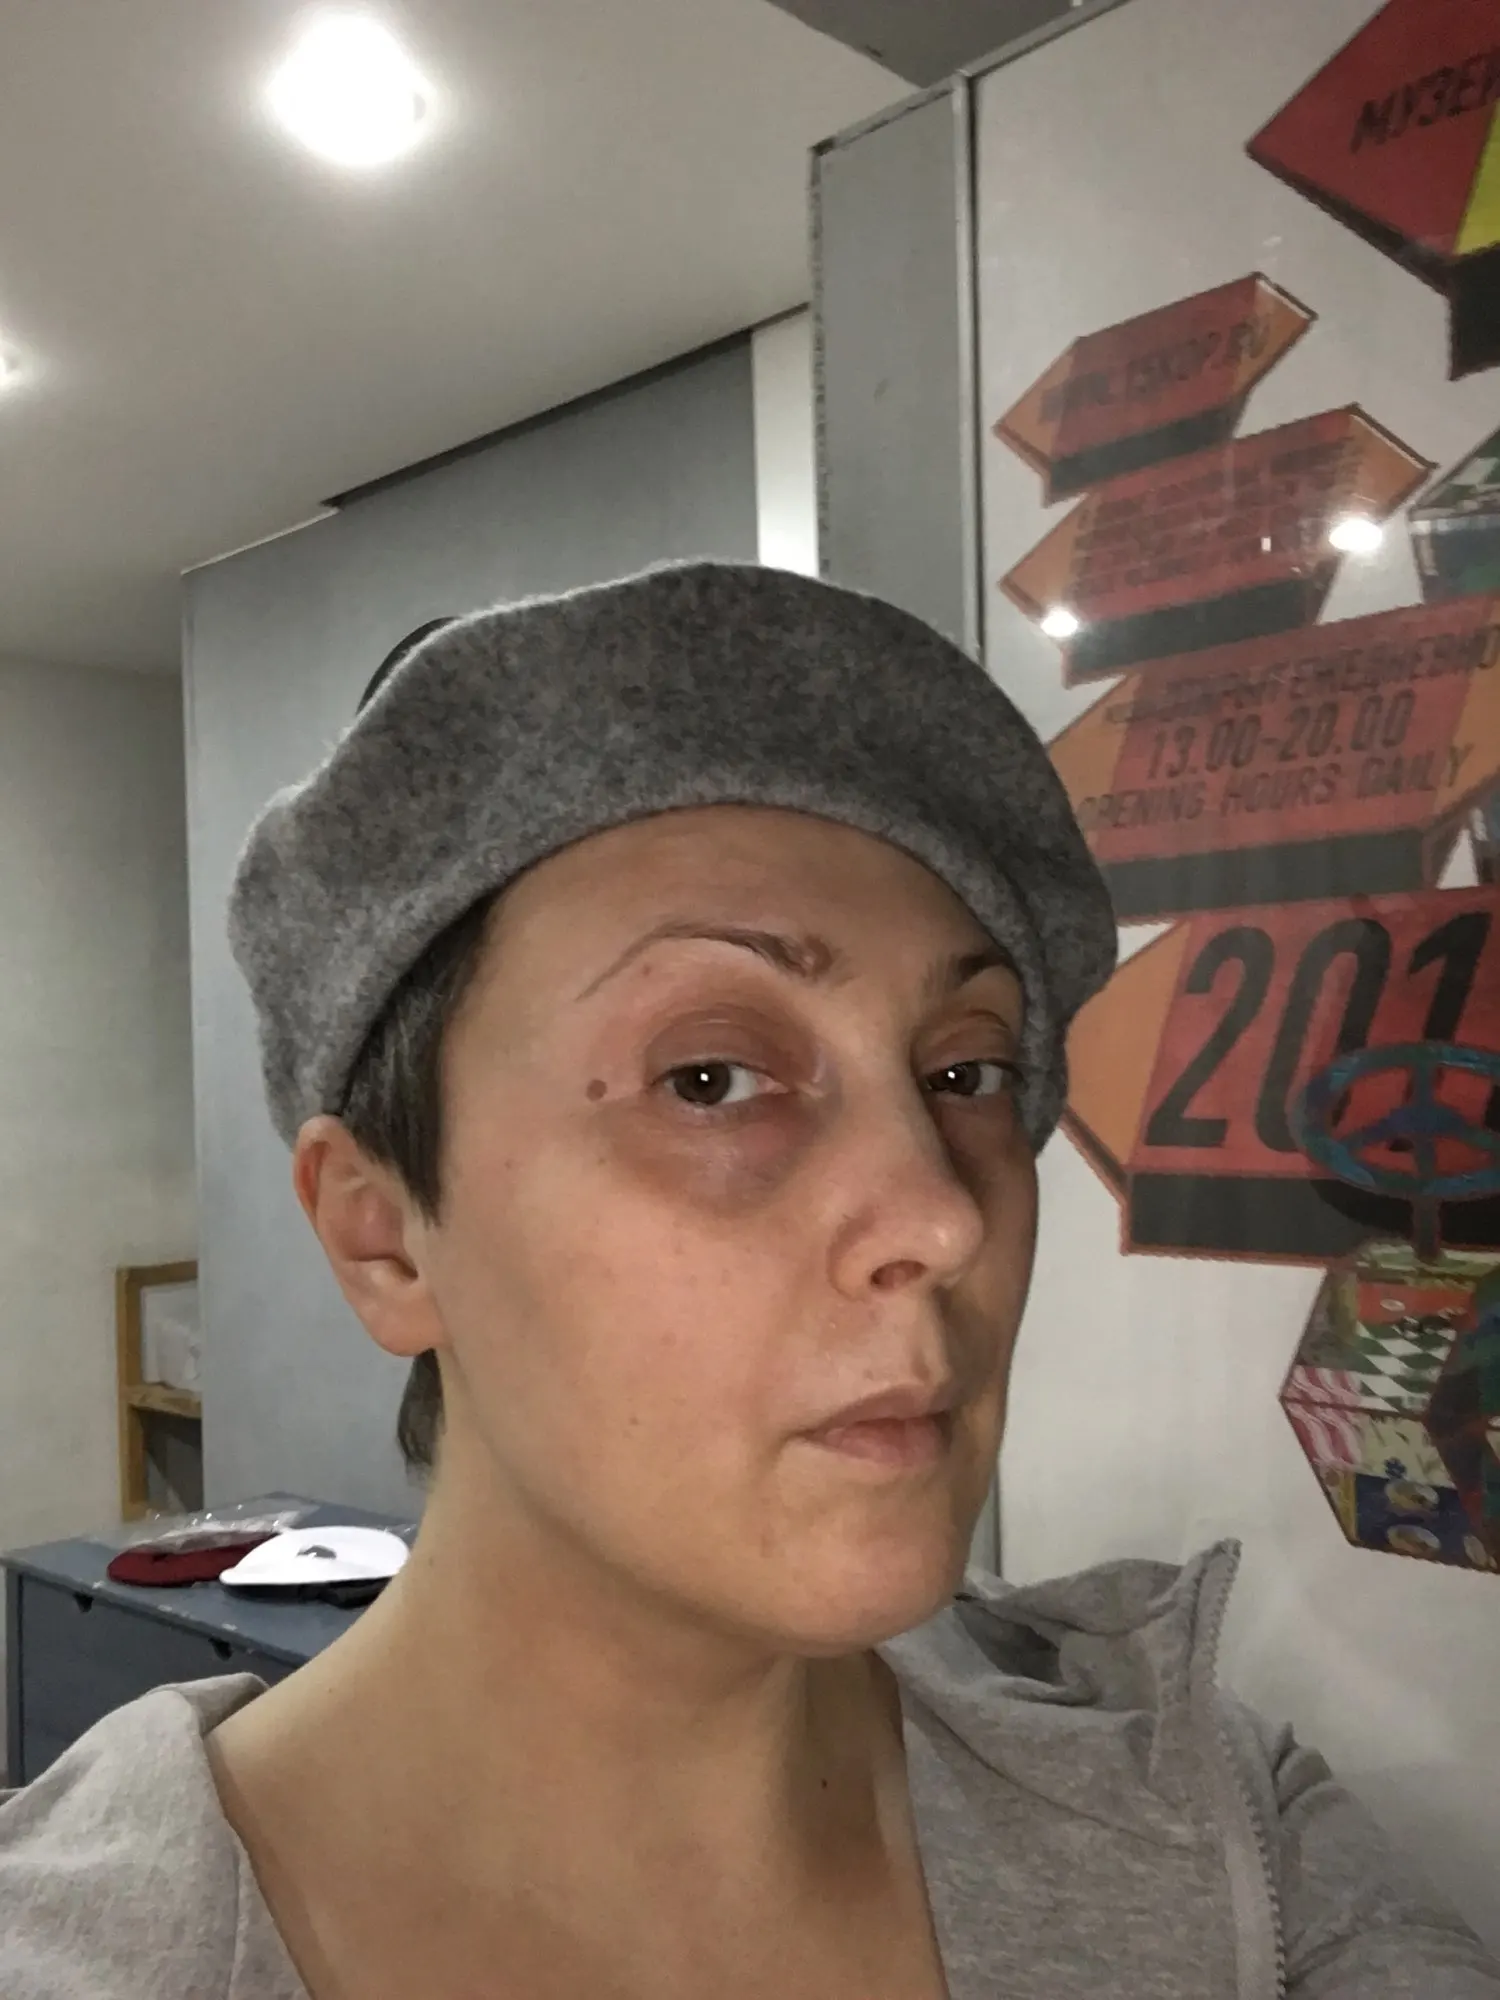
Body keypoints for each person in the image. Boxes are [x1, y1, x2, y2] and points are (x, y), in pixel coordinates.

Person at [2, 563, 1495, 2000]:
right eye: (711, 1077)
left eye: (966, 1072)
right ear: (384, 1234)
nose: (942, 1217)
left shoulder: (1214, 1830)